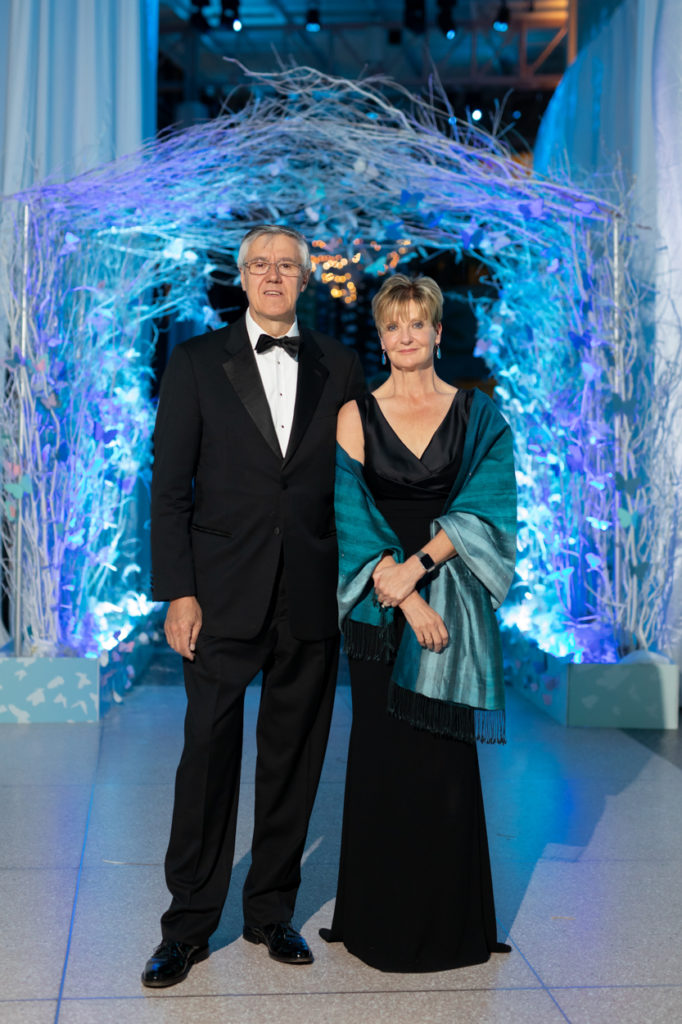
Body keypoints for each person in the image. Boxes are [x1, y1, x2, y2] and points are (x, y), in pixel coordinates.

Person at [142, 225, 365, 987]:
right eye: (260, 264)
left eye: (287, 266)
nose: (273, 276)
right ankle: (187, 926)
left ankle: (271, 913)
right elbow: (169, 489)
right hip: (218, 593)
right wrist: (179, 590)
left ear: (305, 279)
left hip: (309, 593)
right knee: (207, 756)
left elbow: (357, 479)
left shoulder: (339, 363)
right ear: (242, 277)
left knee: (294, 761)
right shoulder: (196, 361)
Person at [320, 273, 517, 972]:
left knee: (445, 760)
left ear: (437, 331)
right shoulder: (355, 414)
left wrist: (421, 567)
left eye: (416, 323)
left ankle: (453, 925)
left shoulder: (477, 413)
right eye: (392, 326)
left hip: (451, 594)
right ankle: (377, 923)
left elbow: (490, 506)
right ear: (381, 338)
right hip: (379, 604)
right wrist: (402, 593)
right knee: (383, 756)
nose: (405, 336)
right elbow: (348, 515)